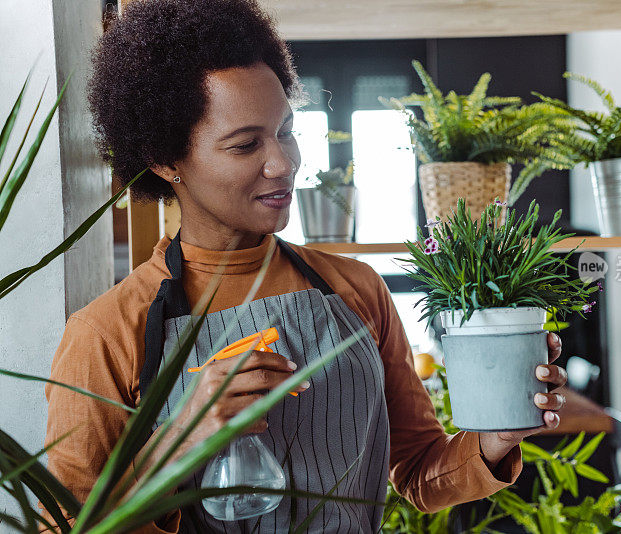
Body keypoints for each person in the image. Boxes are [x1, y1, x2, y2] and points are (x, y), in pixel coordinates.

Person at [45, 0, 568, 532]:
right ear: (165, 159)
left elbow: (417, 470)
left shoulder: (354, 288)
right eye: (246, 144)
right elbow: (64, 525)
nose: (284, 163)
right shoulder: (106, 334)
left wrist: (497, 436)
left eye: (286, 132)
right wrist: (185, 436)